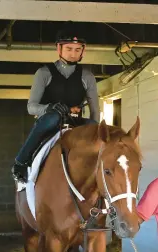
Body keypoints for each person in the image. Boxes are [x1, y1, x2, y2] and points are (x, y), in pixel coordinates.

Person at [11, 29, 100, 183]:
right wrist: (49, 108)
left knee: (93, 125)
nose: (73, 53)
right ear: (59, 49)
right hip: (49, 122)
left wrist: (96, 132)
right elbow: (31, 107)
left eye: (77, 49)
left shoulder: (87, 76)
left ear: (82, 51)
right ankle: (20, 162)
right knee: (53, 117)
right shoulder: (44, 73)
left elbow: (94, 110)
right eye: (69, 49)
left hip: (74, 122)